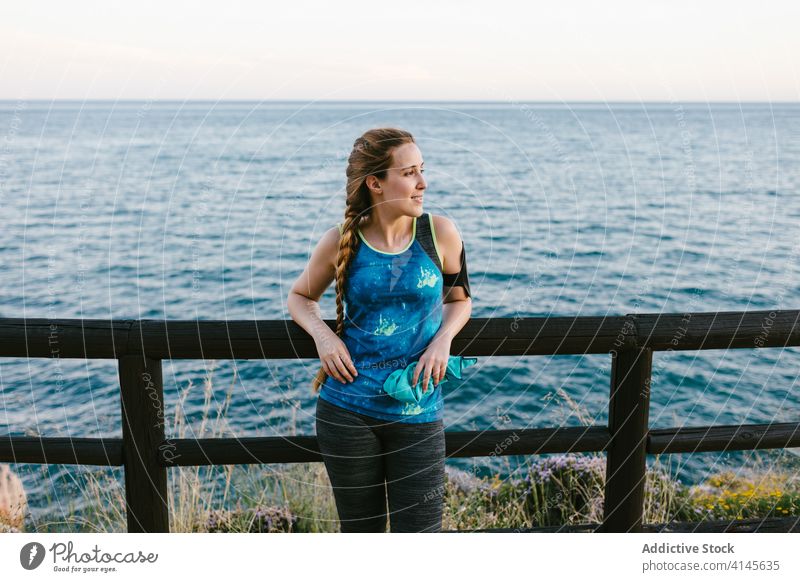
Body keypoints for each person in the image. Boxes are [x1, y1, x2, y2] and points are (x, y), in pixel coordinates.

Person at [287, 127, 473, 532]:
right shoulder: (340, 240)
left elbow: (460, 300)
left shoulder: (439, 234)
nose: (422, 183)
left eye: (421, 170)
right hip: (347, 410)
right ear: (375, 183)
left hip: (419, 408)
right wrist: (323, 335)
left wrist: (443, 340)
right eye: (408, 173)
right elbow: (300, 297)